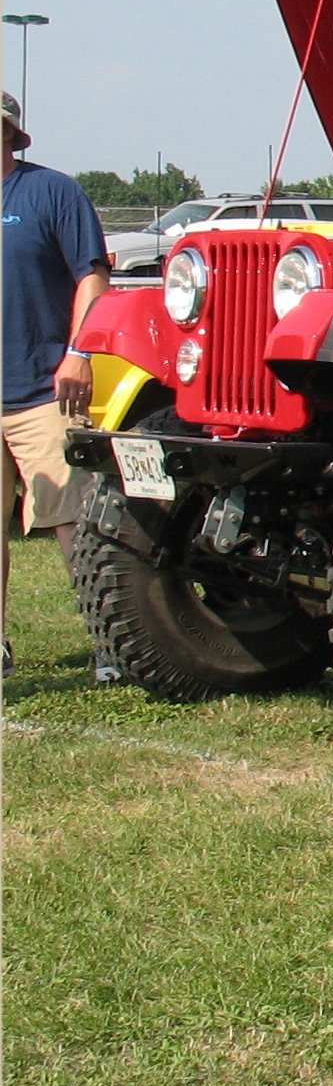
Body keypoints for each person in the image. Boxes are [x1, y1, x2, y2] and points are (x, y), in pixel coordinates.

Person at [2, 91, 112, 678]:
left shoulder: (52, 192)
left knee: (73, 521)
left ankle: (111, 645)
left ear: (8, 133)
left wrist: (79, 353)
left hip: (45, 391)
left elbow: (92, 279)